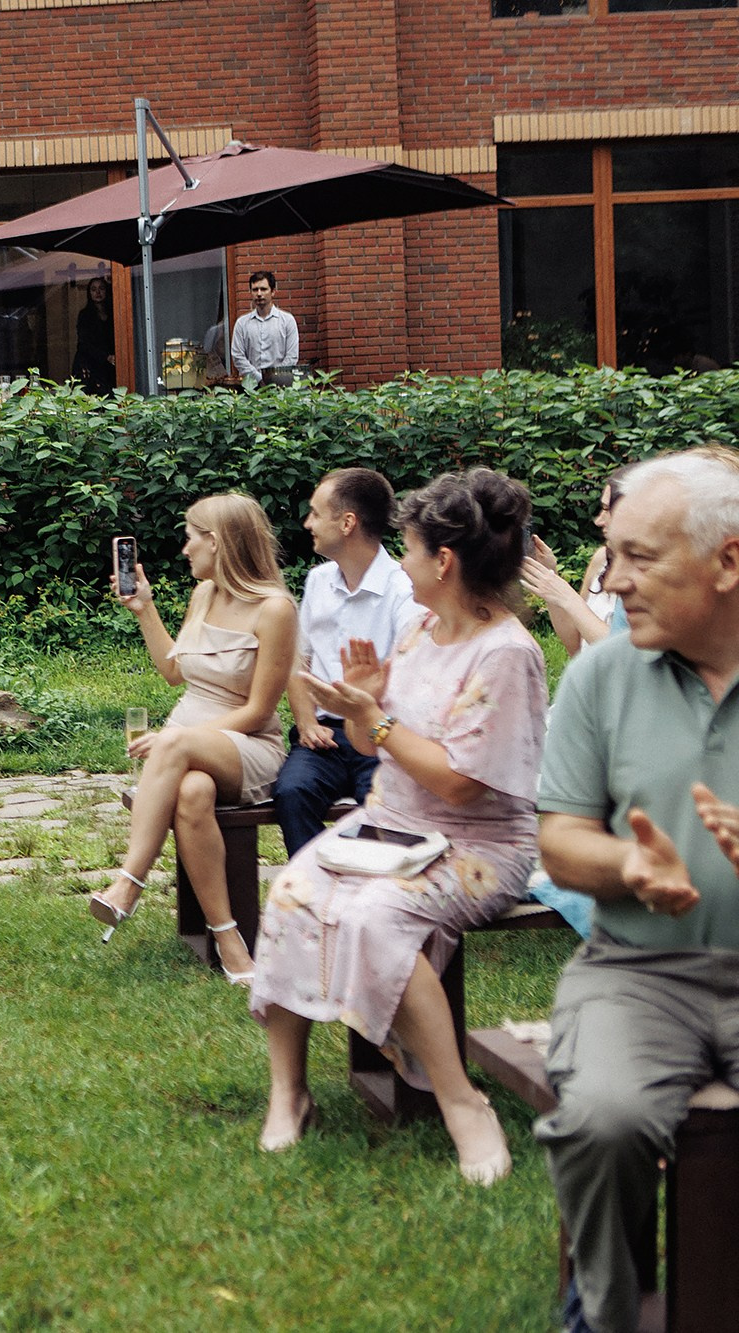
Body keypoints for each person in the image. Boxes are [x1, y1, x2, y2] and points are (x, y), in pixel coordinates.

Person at [251, 468, 546, 1185]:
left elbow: (459, 781)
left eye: (409, 549)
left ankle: (461, 1101)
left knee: (376, 918)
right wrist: (361, 707)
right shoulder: (418, 629)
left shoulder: (506, 654)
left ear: (443, 561)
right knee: (291, 890)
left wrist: (376, 721)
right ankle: (289, 1091)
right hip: (391, 823)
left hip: (478, 843)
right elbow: (371, 742)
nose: (401, 561)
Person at [530, 450, 739, 1333]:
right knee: (602, 1120)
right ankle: (605, 1315)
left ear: (728, 560)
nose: (612, 581)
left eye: (639, 558)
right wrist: (628, 867)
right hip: (637, 971)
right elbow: (560, 839)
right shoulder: (601, 675)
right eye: (612, 555)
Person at [89, 494, 298, 983]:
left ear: (217, 542)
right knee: (193, 791)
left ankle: (129, 884)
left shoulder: (276, 609)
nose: (185, 549)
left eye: (191, 537)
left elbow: (258, 711)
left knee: (173, 745)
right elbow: (173, 673)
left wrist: (175, 740)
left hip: (248, 746)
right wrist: (144, 608)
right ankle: (229, 939)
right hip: (190, 748)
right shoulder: (203, 594)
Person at [273, 468, 421, 855]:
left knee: (382, 803)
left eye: (315, 513)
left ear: (347, 522)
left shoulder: (403, 589)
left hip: (380, 735)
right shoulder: (318, 580)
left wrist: (368, 707)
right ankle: (311, 884)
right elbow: (299, 662)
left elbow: (412, 677)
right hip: (324, 735)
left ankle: (371, 883)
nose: (308, 523)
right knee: (292, 791)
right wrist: (306, 722)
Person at [521, 468, 631, 658]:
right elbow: (576, 646)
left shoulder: (652, 576)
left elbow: (621, 654)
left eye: (607, 510)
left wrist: (568, 597)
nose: (599, 521)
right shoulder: (601, 559)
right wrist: (551, 578)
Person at [230, 271, 300, 387]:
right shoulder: (242, 324)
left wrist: (274, 378)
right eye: (255, 290)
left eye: (263, 289)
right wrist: (257, 378)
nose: (259, 294)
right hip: (251, 388)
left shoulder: (287, 321)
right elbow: (238, 356)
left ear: (273, 291)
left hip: (281, 388)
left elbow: (292, 356)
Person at [71, 277, 116, 394]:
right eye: (94, 289)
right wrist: (106, 357)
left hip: (110, 367)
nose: (98, 292)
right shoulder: (85, 315)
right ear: (89, 293)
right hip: (90, 365)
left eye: (101, 288)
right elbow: (84, 344)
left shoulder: (114, 313)